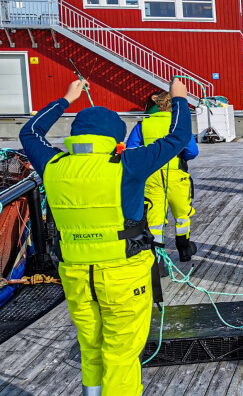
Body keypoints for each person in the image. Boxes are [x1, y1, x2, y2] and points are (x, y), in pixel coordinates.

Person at [20, 78, 192, 396]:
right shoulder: (128, 163)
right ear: (115, 138)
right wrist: (179, 98)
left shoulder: (53, 165)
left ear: (77, 136)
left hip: (75, 277)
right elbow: (179, 137)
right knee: (121, 355)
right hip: (124, 277)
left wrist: (66, 98)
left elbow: (28, 133)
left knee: (92, 348)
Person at [127, 92, 200, 264]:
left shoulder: (143, 125)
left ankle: (157, 258)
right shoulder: (179, 127)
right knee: (182, 214)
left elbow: (132, 150)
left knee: (155, 217)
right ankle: (184, 249)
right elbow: (192, 152)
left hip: (150, 175)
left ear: (158, 105)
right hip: (176, 174)